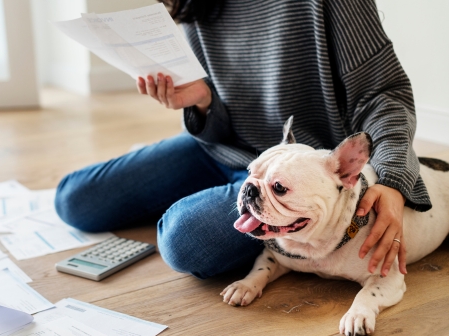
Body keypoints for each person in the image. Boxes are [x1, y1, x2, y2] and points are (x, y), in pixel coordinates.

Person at [55, 0, 432, 280]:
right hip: (224, 150)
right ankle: (215, 198)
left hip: (302, 175)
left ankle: (216, 206)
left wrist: (393, 179)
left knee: (185, 240)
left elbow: (384, 94)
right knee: (74, 200)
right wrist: (202, 102)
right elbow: (218, 113)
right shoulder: (195, 4)